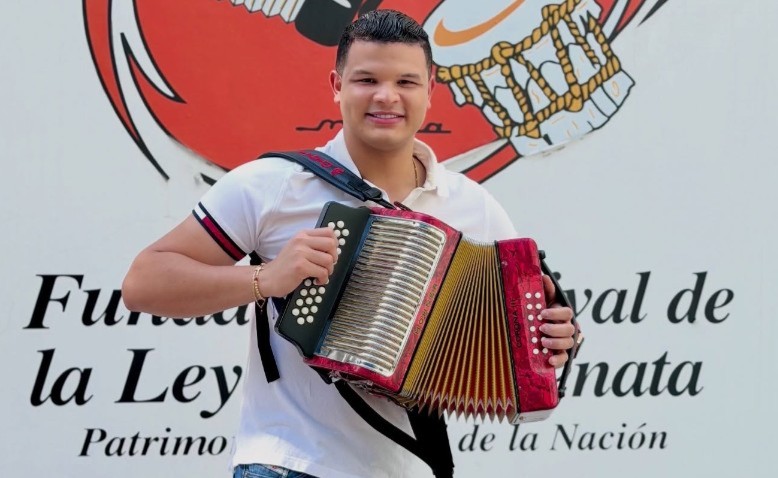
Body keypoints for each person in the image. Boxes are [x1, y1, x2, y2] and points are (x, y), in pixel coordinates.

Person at [122, 9, 576, 478]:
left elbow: (526, 336)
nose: (386, 96)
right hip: (290, 463)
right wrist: (265, 278)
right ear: (337, 86)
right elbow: (143, 282)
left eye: (406, 81)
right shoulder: (275, 184)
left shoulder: (472, 206)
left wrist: (558, 339)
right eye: (366, 80)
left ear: (430, 91)